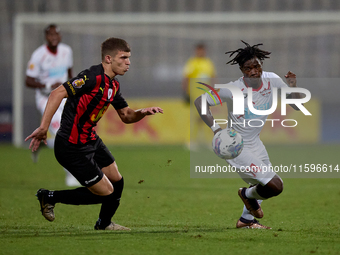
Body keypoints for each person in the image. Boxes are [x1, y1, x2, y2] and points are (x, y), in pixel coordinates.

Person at [25, 37, 163, 230]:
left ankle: (104, 224)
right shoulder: (91, 77)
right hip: (71, 146)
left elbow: (126, 115)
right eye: (123, 57)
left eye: (129, 58)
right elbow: (57, 93)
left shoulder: (113, 85)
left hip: (90, 140)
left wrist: (143, 113)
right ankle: (48, 196)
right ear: (108, 58)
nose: (128, 62)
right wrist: (44, 127)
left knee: (117, 181)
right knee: (106, 192)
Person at [194, 41, 303, 229]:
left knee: (267, 185)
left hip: (255, 143)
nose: (253, 71)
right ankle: (246, 195)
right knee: (275, 186)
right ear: (242, 70)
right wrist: (217, 130)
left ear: (261, 65)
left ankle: (246, 220)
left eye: (256, 66)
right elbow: (199, 101)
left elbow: (295, 105)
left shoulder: (273, 80)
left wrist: (292, 86)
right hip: (235, 146)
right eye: (248, 68)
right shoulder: (232, 89)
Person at [25, 24, 79, 186]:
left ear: (60, 36)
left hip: (63, 96)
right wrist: (48, 86)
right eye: (50, 35)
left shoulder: (66, 51)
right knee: (61, 132)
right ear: (46, 37)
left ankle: (39, 143)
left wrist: (74, 91)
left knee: (71, 130)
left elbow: (70, 73)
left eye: (56, 34)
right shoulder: (38, 55)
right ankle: (71, 175)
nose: (54, 37)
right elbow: (28, 80)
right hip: (45, 99)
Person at [182, 43, 216, 147]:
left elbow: (213, 77)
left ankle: (209, 142)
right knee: (194, 118)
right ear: (196, 51)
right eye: (199, 50)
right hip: (195, 95)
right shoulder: (192, 63)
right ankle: (190, 141)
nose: (201, 52)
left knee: (207, 118)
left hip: (206, 95)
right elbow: (186, 78)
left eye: (202, 50)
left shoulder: (208, 63)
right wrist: (186, 93)